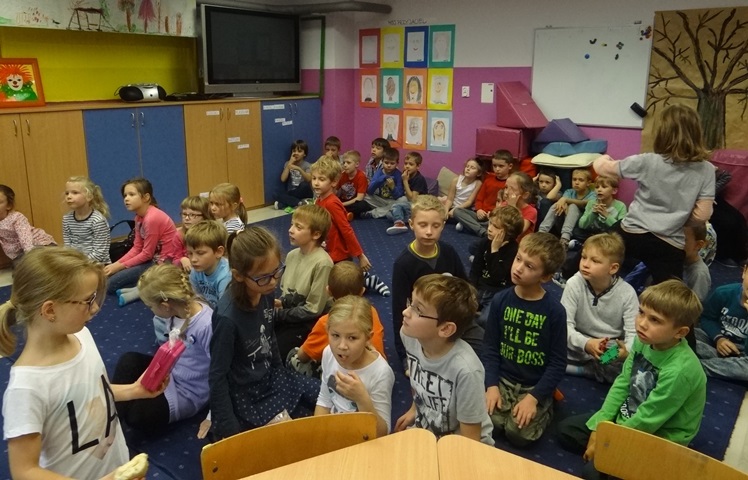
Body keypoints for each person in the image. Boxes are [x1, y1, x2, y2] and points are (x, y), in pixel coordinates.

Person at [0, 247, 165, 479]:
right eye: (88, 301)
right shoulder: (27, 388)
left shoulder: (82, 336)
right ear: (50, 310)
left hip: (114, 466)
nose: (95, 308)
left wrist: (133, 390)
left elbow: (90, 393)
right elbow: (24, 471)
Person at [556, 280, 706, 480]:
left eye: (655, 320)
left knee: (592, 473)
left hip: (660, 434)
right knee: (566, 431)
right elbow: (623, 382)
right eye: (641, 312)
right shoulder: (643, 340)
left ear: (680, 332)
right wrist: (600, 426)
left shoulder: (680, 371)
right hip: (630, 413)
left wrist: (607, 439)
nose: (642, 323)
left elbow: (649, 418)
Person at [209, 227, 320, 439]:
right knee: (296, 436)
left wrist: (280, 371)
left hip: (271, 376)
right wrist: (228, 427)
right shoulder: (227, 319)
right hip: (248, 394)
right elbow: (217, 375)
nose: (273, 282)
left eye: (277, 272)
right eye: (263, 278)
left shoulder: (265, 291)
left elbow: (269, 337)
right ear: (238, 276)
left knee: (327, 396)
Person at [593, 104, 715, 284]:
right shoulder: (707, 169)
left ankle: (569, 274)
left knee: (597, 250)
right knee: (670, 289)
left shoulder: (648, 161)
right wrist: (678, 219)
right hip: (669, 241)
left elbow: (603, 168)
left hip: (632, 232)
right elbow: (703, 214)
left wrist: (602, 158)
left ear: (661, 133)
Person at [482, 232, 567, 447]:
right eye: (518, 259)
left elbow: (558, 362)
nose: (518, 268)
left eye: (529, 266)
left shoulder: (555, 311)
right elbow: (490, 347)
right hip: (503, 380)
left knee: (518, 434)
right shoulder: (501, 300)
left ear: (545, 277)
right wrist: (491, 385)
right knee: (491, 423)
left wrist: (534, 397)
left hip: (533, 385)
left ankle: (547, 404)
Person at [112, 263, 213, 433]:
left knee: (135, 416)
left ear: (165, 306)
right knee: (128, 360)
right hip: (170, 371)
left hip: (189, 391)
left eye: (150, 307)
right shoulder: (175, 312)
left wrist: (212, 416)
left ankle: (118, 414)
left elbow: (224, 373)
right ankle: (112, 422)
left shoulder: (206, 325)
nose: (150, 310)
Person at [395, 274, 495, 445]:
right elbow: (419, 382)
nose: (405, 312)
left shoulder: (467, 371)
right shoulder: (409, 336)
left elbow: (470, 441)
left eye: (418, 310)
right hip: (429, 428)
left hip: (462, 444)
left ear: (445, 329)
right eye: (410, 302)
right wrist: (414, 409)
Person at [391, 195, 481, 369]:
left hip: (453, 319)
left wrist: (470, 311)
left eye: (436, 226)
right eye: (422, 225)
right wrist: (404, 356)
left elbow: (465, 286)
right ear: (411, 224)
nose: (429, 232)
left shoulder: (448, 252)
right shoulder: (403, 264)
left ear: (443, 226)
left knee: (484, 347)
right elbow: (399, 310)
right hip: (425, 324)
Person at [562, 233, 639, 384]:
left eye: (595, 261)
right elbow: (565, 325)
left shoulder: (627, 293)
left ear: (613, 268)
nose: (585, 264)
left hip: (607, 349)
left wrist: (625, 352)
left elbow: (633, 334)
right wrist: (586, 343)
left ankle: (581, 370)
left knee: (632, 365)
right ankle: (589, 370)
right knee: (546, 339)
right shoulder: (574, 283)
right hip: (578, 343)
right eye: (584, 257)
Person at [288, 261, 387, 376]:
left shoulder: (328, 321)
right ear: (362, 291)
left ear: (328, 291)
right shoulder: (371, 311)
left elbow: (303, 355)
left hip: (350, 374)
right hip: (377, 368)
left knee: (294, 356)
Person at [315, 295, 394, 438]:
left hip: (363, 439)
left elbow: (382, 433)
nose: (342, 346)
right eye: (335, 335)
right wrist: (318, 434)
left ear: (368, 338)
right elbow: (324, 399)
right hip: (335, 431)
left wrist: (362, 398)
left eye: (352, 338)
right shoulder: (328, 353)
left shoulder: (380, 372)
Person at [311, 157, 389, 296]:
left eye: (321, 179)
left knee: (344, 286)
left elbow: (346, 230)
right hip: (327, 248)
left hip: (339, 253)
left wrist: (360, 255)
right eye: (314, 178)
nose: (316, 183)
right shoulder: (318, 201)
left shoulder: (332, 203)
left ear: (334, 182)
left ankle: (369, 281)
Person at [104, 177, 179, 303]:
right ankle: (143, 286)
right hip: (151, 259)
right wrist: (115, 265)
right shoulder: (138, 218)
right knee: (111, 277)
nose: (126, 199)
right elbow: (137, 248)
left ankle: (143, 288)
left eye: (131, 194)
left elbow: (147, 254)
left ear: (146, 197)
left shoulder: (152, 218)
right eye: (125, 195)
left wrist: (119, 267)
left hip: (164, 263)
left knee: (110, 285)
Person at [274, 204, 334, 359]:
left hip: (309, 322)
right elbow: (288, 294)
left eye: (298, 227)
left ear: (316, 234)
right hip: (291, 314)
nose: (290, 230)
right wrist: (280, 304)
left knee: (277, 351)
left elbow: (313, 310)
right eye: (292, 224)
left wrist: (279, 315)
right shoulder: (292, 255)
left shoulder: (323, 263)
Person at [470, 205, 524, 327]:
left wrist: (494, 251)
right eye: (490, 223)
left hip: (497, 292)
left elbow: (497, 277)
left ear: (508, 232)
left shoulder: (513, 251)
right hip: (480, 288)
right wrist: (471, 290)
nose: (489, 228)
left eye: (496, 227)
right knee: (458, 310)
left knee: (484, 321)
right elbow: (475, 270)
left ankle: (481, 315)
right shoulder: (485, 242)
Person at [694, 260, 748, 382]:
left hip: (744, 355)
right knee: (687, 334)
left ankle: (696, 366)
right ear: (744, 272)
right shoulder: (723, 293)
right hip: (716, 343)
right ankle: (720, 364)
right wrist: (719, 338)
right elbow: (707, 318)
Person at [453, 150, 515, 237]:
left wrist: (494, 214)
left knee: (503, 223)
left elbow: (508, 204)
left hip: (497, 216)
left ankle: (473, 227)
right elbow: (479, 199)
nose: (497, 169)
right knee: (457, 211)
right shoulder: (488, 180)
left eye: (501, 166)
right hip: (481, 214)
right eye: (494, 166)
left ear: (510, 166)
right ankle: (482, 230)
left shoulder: (511, 183)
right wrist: (479, 209)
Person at [0, 184, 56, 268]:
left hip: (37, 244)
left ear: (9, 206)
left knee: (37, 262)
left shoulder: (16, 217)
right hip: (20, 253)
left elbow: (25, 239)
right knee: (19, 266)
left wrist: (30, 258)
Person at [538, 168, 594, 249]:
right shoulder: (569, 192)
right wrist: (563, 202)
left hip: (580, 228)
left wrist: (566, 200)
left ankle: (565, 239)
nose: (576, 182)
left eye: (581, 180)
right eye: (574, 179)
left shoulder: (593, 194)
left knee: (573, 206)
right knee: (557, 205)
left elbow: (585, 203)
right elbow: (560, 203)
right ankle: (541, 233)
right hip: (565, 223)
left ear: (588, 183)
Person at [62, 176, 111, 264]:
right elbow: (68, 246)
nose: (69, 196)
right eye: (67, 193)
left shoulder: (97, 220)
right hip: (76, 263)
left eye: (75, 193)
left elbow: (100, 253)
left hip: (97, 264)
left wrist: (79, 263)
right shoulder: (67, 219)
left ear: (89, 197)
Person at [185, 220, 230, 309]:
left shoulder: (226, 276)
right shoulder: (196, 270)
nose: (193, 259)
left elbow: (224, 309)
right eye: (190, 253)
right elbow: (195, 299)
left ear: (218, 252)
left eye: (200, 253)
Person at [572, 175, 628, 246]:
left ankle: (586, 244)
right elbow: (582, 225)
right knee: (576, 231)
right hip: (593, 233)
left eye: (604, 187)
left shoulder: (621, 206)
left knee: (621, 238)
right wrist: (593, 214)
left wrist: (606, 215)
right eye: (597, 187)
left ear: (614, 191)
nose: (599, 190)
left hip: (609, 235)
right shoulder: (591, 203)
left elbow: (621, 229)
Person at [386, 151, 429, 235]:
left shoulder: (419, 179)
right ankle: (412, 220)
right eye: (406, 163)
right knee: (389, 214)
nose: (407, 166)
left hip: (419, 206)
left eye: (411, 164)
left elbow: (413, 200)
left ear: (418, 166)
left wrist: (405, 181)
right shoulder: (405, 175)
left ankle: (399, 224)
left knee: (396, 206)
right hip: (408, 206)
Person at [362, 147, 405, 219]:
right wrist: (380, 179)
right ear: (382, 161)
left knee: (403, 200)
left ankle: (373, 213)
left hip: (392, 201)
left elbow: (399, 196)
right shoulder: (379, 172)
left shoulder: (398, 175)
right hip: (380, 200)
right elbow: (370, 191)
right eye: (386, 162)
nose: (389, 165)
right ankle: (388, 210)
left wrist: (393, 187)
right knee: (364, 195)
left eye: (392, 163)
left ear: (397, 163)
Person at [173, 195, 214, 272]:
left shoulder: (211, 234)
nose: (187, 218)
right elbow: (175, 260)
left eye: (192, 215)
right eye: (184, 214)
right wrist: (182, 259)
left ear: (205, 216)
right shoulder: (179, 235)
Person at [498, 171, 538, 242]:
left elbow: (518, 232)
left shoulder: (531, 211)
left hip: (519, 245)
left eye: (512, 189)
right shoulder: (504, 204)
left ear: (525, 195)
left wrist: (512, 208)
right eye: (506, 187)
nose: (506, 192)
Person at [274, 140, 313, 212]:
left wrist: (299, 169)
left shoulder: (307, 165)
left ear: (304, 154)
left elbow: (308, 179)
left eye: (299, 151)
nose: (296, 153)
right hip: (292, 192)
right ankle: (300, 203)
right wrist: (289, 164)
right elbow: (283, 179)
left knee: (304, 185)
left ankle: (285, 203)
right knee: (275, 194)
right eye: (294, 151)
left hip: (304, 191)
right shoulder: (288, 164)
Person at [683, 223, 711, 303]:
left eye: (682, 239)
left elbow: (694, 306)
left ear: (698, 245)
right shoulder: (678, 260)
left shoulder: (699, 274)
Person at [337, 150, 369, 219]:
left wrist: (342, 204)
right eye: (344, 163)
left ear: (356, 164)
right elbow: (335, 191)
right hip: (343, 200)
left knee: (363, 205)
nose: (345, 165)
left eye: (348, 163)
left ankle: (341, 212)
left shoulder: (361, 176)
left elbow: (359, 198)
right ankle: (345, 213)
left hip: (354, 202)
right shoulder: (342, 175)